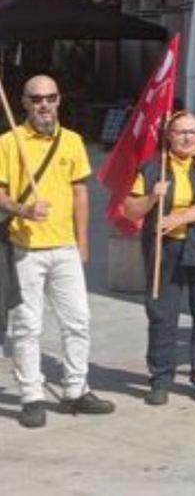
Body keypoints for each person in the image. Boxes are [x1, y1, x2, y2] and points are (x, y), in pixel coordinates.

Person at [0, 75, 114, 429]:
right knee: (27, 327)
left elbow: (80, 193)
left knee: (78, 321)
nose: (43, 105)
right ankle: (31, 394)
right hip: (25, 248)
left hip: (64, 246)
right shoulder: (8, 142)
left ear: (59, 100)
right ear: (24, 102)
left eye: (49, 98)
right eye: (36, 99)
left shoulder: (73, 141)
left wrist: (83, 243)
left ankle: (76, 387)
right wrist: (22, 209)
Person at [123, 111, 195, 406]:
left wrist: (179, 217)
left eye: (191, 132)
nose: (186, 138)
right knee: (162, 315)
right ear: (168, 136)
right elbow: (130, 209)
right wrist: (152, 199)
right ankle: (160, 379)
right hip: (165, 250)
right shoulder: (152, 168)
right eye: (179, 132)